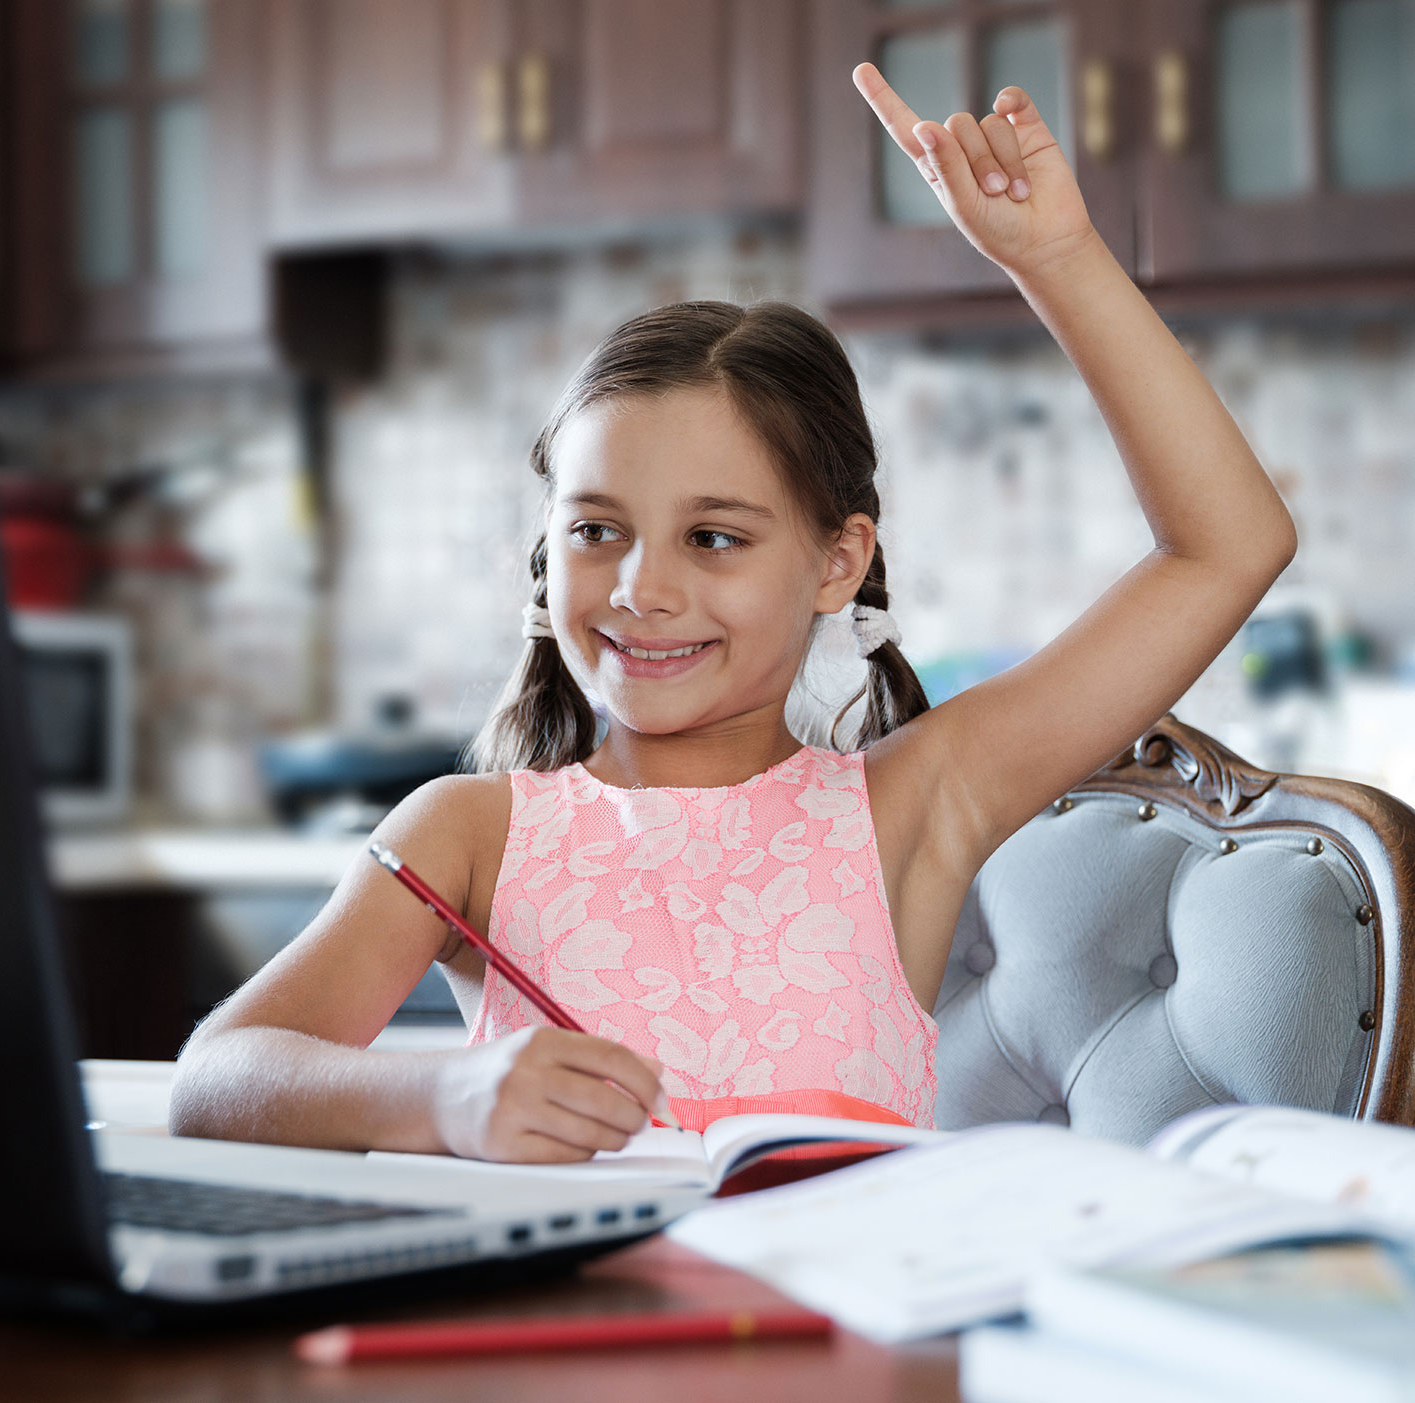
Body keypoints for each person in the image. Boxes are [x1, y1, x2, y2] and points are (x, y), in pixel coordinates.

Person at [168, 66, 1297, 1162]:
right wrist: (446, 1093)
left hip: (845, 1343)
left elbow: (1229, 546)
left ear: (836, 562)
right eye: (596, 528)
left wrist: (1058, 258)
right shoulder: (466, 832)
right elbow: (219, 1074)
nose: (640, 589)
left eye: (714, 538)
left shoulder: (912, 805)